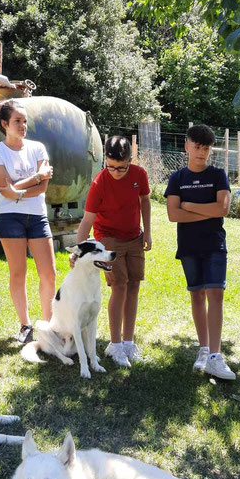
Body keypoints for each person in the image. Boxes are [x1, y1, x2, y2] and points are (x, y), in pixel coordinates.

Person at [75, 136, 151, 367]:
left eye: (121, 167)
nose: (116, 171)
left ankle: (129, 342)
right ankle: (115, 345)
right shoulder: (99, 183)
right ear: (104, 161)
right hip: (108, 238)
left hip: (134, 237)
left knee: (134, 285)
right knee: (119, 286)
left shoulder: (139, 175)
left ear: (130, 159)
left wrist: (147, 232)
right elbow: (87, 221)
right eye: (110, 166)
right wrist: (79, 252)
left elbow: (145, 201)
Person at [165, 124, 233, 380]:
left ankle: (216, 356)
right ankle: (203, 350)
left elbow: (223, 209)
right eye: (197, 147)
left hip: (214, 244)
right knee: (197, 295)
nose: (201, 152)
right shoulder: (177, 179)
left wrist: (191, 205)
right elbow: (173, 214)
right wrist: (207, 208)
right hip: (189, 246)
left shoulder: (218, 175)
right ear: (187, 147)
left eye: (206, 148)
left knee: (216, 294)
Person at [0, 100, 56, 344]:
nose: (23, 125)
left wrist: (16, 190)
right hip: (9, 217)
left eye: (25, 121)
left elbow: (42, 187)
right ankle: (25, 326)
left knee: (48, 273)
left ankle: (48, 326)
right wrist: (34, 177)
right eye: (18, 121)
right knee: (18, 272)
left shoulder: (38, 148)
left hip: (37, 216)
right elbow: (4, 190)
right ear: (4, 124)